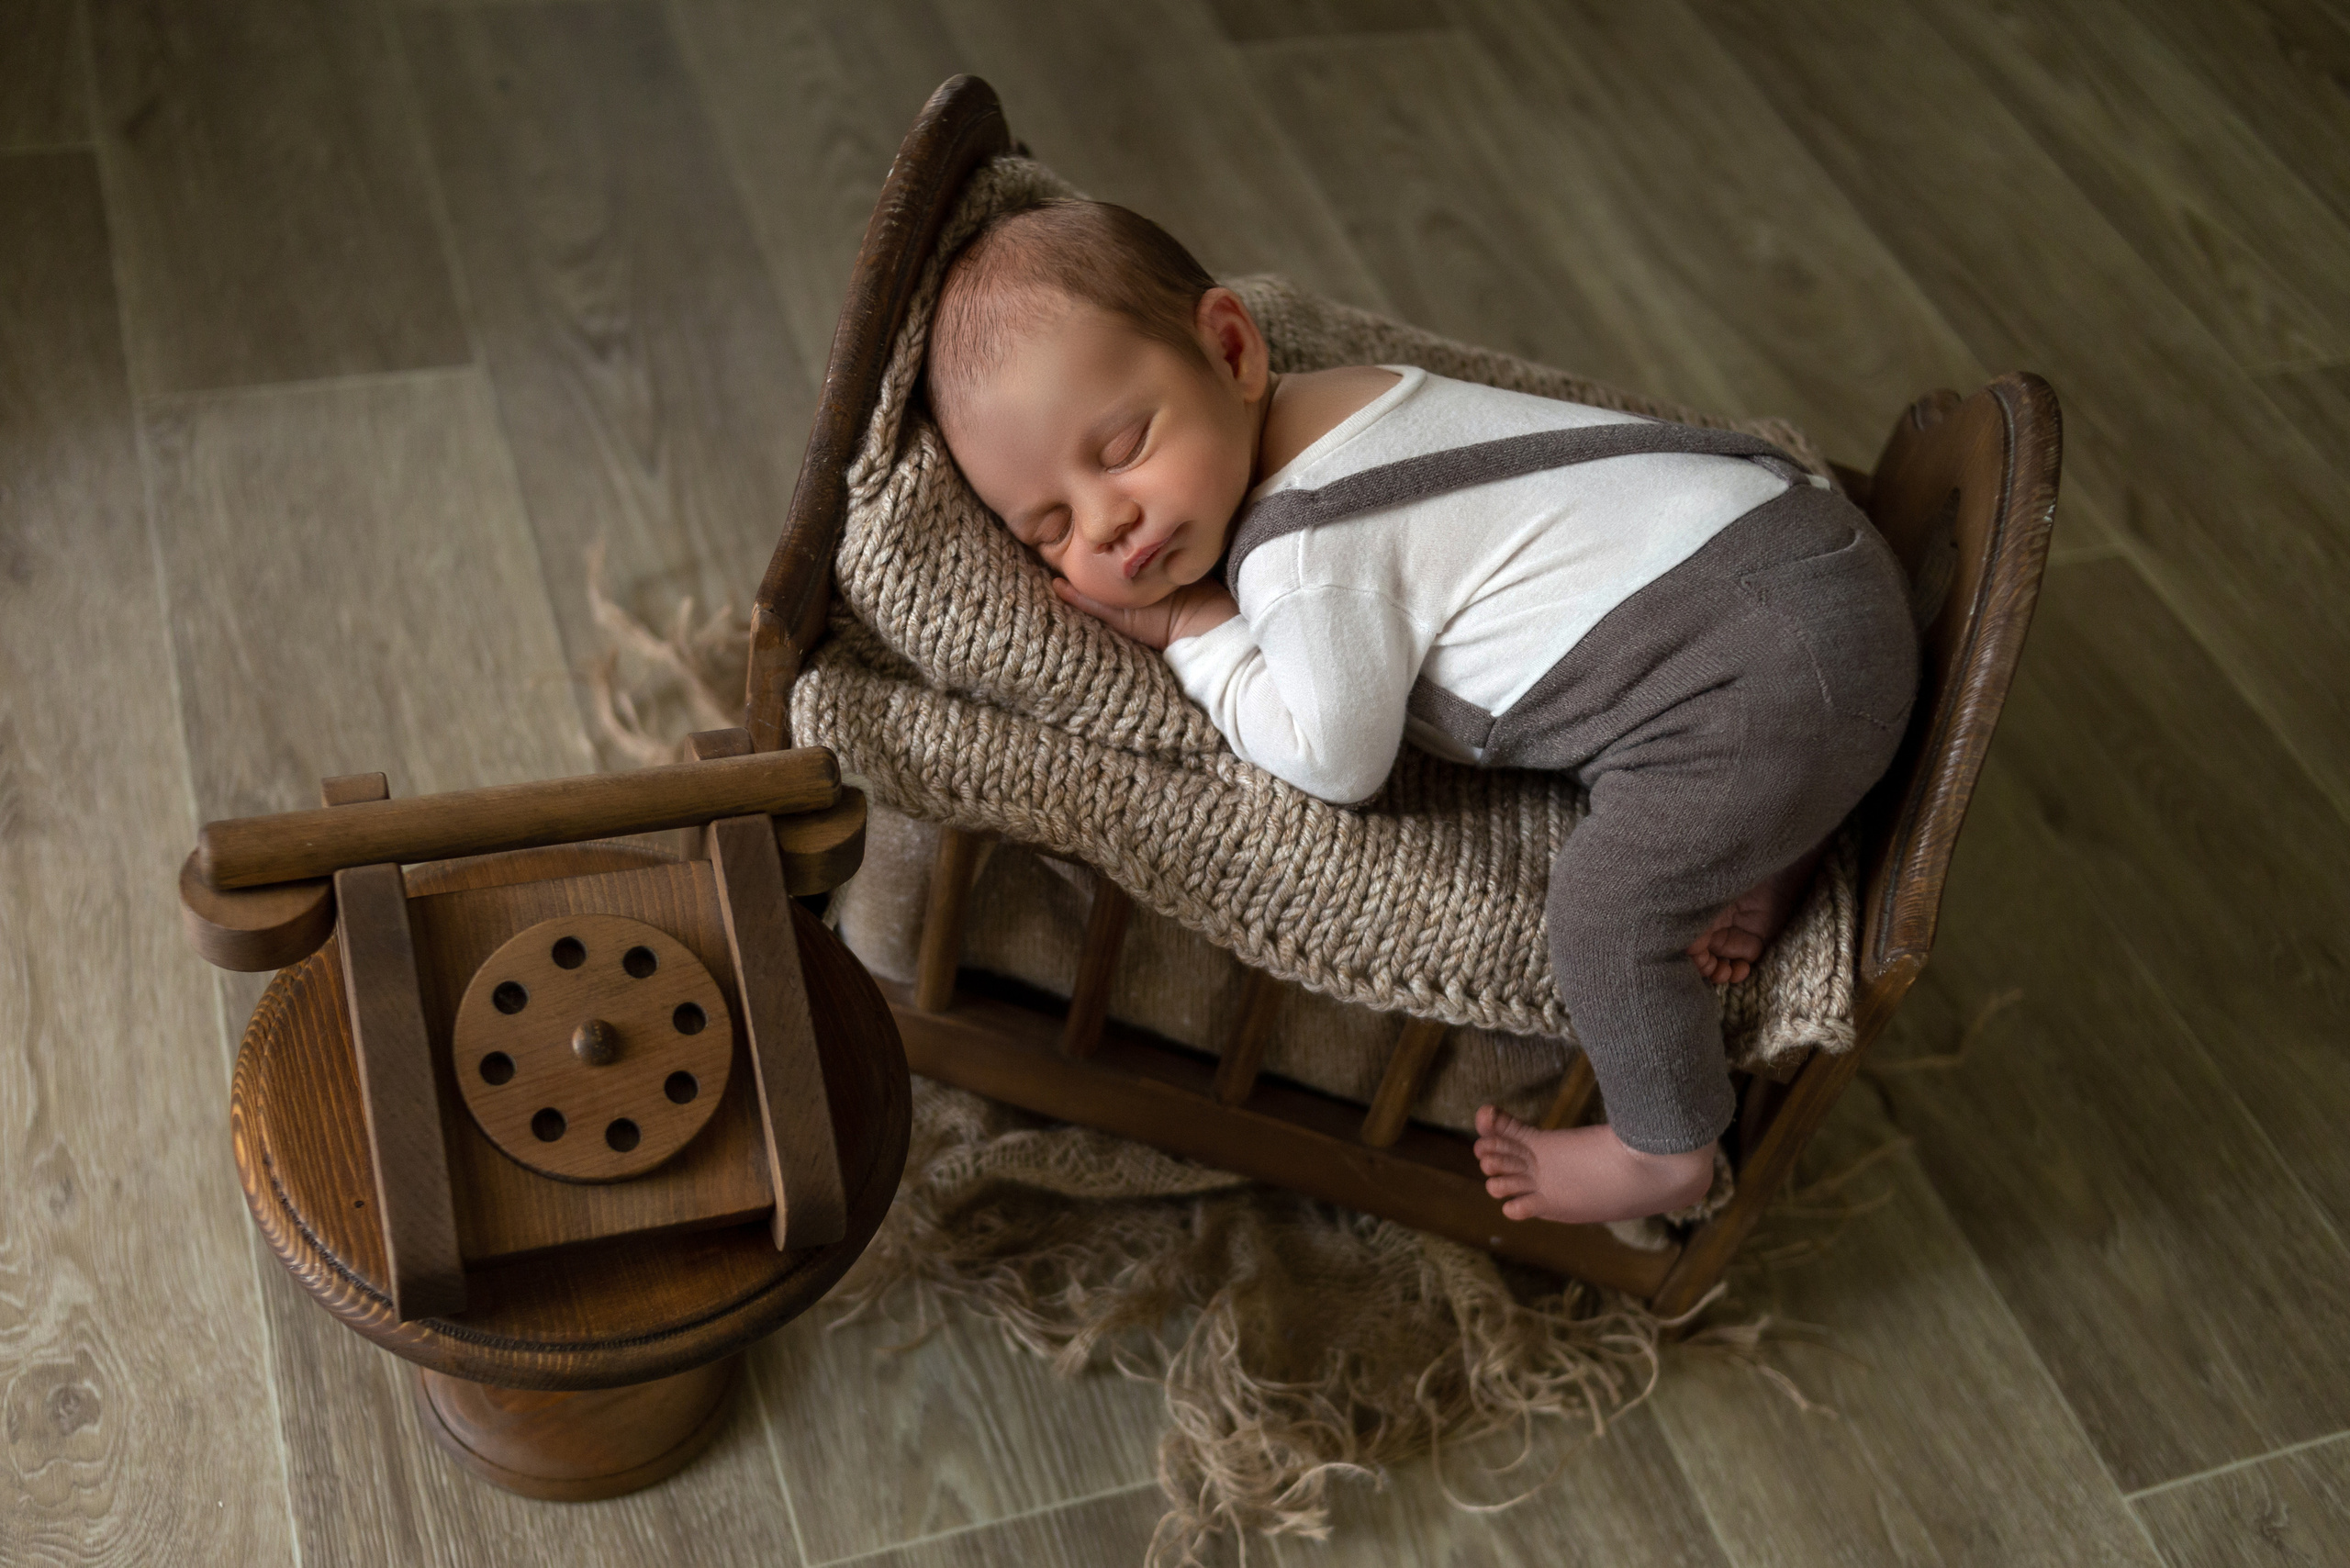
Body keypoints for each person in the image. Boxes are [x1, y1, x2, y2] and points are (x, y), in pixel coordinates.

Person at [924, 198, 1918, 1225]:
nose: (1105, 521)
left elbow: (1333, 755)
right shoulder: (1354, 399)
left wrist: (1198, 630)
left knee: (1602, 915)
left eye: (1124, 445)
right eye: (1047, 529)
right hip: (1821, 559)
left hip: (1762, 684)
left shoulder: (1302, 557)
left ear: (1230, 347)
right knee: (1709, 774)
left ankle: (1663, 1148)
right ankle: (1771, 841)